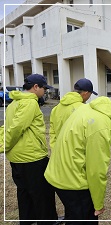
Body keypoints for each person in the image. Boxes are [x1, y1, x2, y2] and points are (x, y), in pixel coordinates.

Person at [44, 92, 111, 223]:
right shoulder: (101, 126)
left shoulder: (87, 107)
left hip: (57, 173)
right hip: (73, 183)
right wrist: (98, 203)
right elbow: (96, 170)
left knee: (72, 216)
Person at [4, 74, 57, 224]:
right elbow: (16, 128)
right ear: (35, 87)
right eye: (44, 88)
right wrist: (5, 145)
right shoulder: (30, 103)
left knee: (24, 193)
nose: (45, 91)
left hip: (16, 157)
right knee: (42, 194)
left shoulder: (14, 102)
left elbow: (8, 127)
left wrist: (6, 147)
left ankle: (27, 220)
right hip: (31, 157)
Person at [49, 78, 98, 150]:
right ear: (86, 93)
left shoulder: (56, 108)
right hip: (74, 154)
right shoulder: (83, 109)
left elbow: (52, 132)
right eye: (90, 95)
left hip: (58, 152)